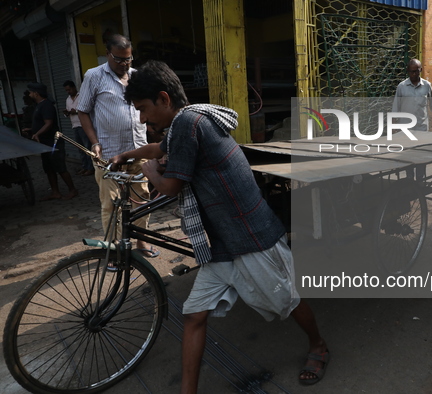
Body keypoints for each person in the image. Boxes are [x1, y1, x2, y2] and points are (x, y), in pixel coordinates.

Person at [110, 60, 329, 392]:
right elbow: (160, 148)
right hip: (222, 244)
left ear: (164, 99)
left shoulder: (189, 124)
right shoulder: (185, 122)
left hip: (252, 238)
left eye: (143, 109)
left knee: (288, 301)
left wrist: (150, 169)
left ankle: (318, 346)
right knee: (194, 315)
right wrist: (129, 154)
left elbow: (169, 186)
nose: (141, 119)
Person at [77, 34, 159, 258]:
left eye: (129, 59)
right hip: (109, 155)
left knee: (142, 200)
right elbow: (82, 110)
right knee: (111, 205)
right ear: (107, 54)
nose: (125, 64)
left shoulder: (136, 76)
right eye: (119, 59)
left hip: (138, 150)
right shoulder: (94, 76)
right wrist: (94, 142)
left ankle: (141, 243)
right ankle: (113, 252)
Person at [25, 82, 78, 201]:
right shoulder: (38, 105)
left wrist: (37, 133)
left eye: (30, 92)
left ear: (36, 93)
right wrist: (32, 130)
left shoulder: (47, 105)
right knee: (49, 168)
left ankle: (72, 189)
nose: (29, 94)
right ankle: (55, 192)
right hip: (44, 143)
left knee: (60, 167)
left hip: (53, 142)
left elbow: (48, 123)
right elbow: (41, 123)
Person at [392, 58, 432, 131]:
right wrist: (393, 124)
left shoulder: (427, 85)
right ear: (408, 71)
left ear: (421, 70)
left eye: (416, 71)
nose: (414, 74)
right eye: (411, 71)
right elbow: (396, 106)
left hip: (421, 127)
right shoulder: (401, 86)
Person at [63, 80, 93, 176]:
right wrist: (67, 113)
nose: (68, 92)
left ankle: (90, 168)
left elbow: (86, 110)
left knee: (87, 147)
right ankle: (84, 167)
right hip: (74, 126)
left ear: (74, 87)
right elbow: (69, 112)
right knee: (80, 148)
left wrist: (75, 112)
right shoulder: (68, 99)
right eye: (67, 90)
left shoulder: (81, 96)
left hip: (83, 125)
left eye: (69, 89)